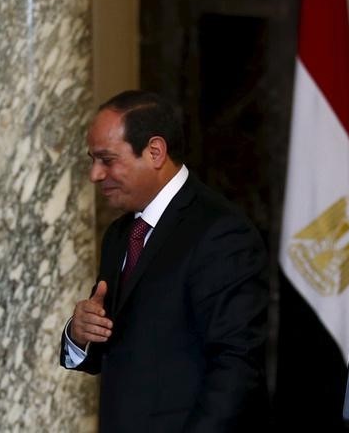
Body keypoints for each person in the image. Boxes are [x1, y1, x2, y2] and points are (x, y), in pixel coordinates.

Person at [59, 90, 269, 432]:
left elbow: (236, 366)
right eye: (92, 160)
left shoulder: (221, 232)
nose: (95, 174)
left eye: (107, 160)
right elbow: (122, 347)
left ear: (155, 152)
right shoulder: (120, 233)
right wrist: (80, 333)